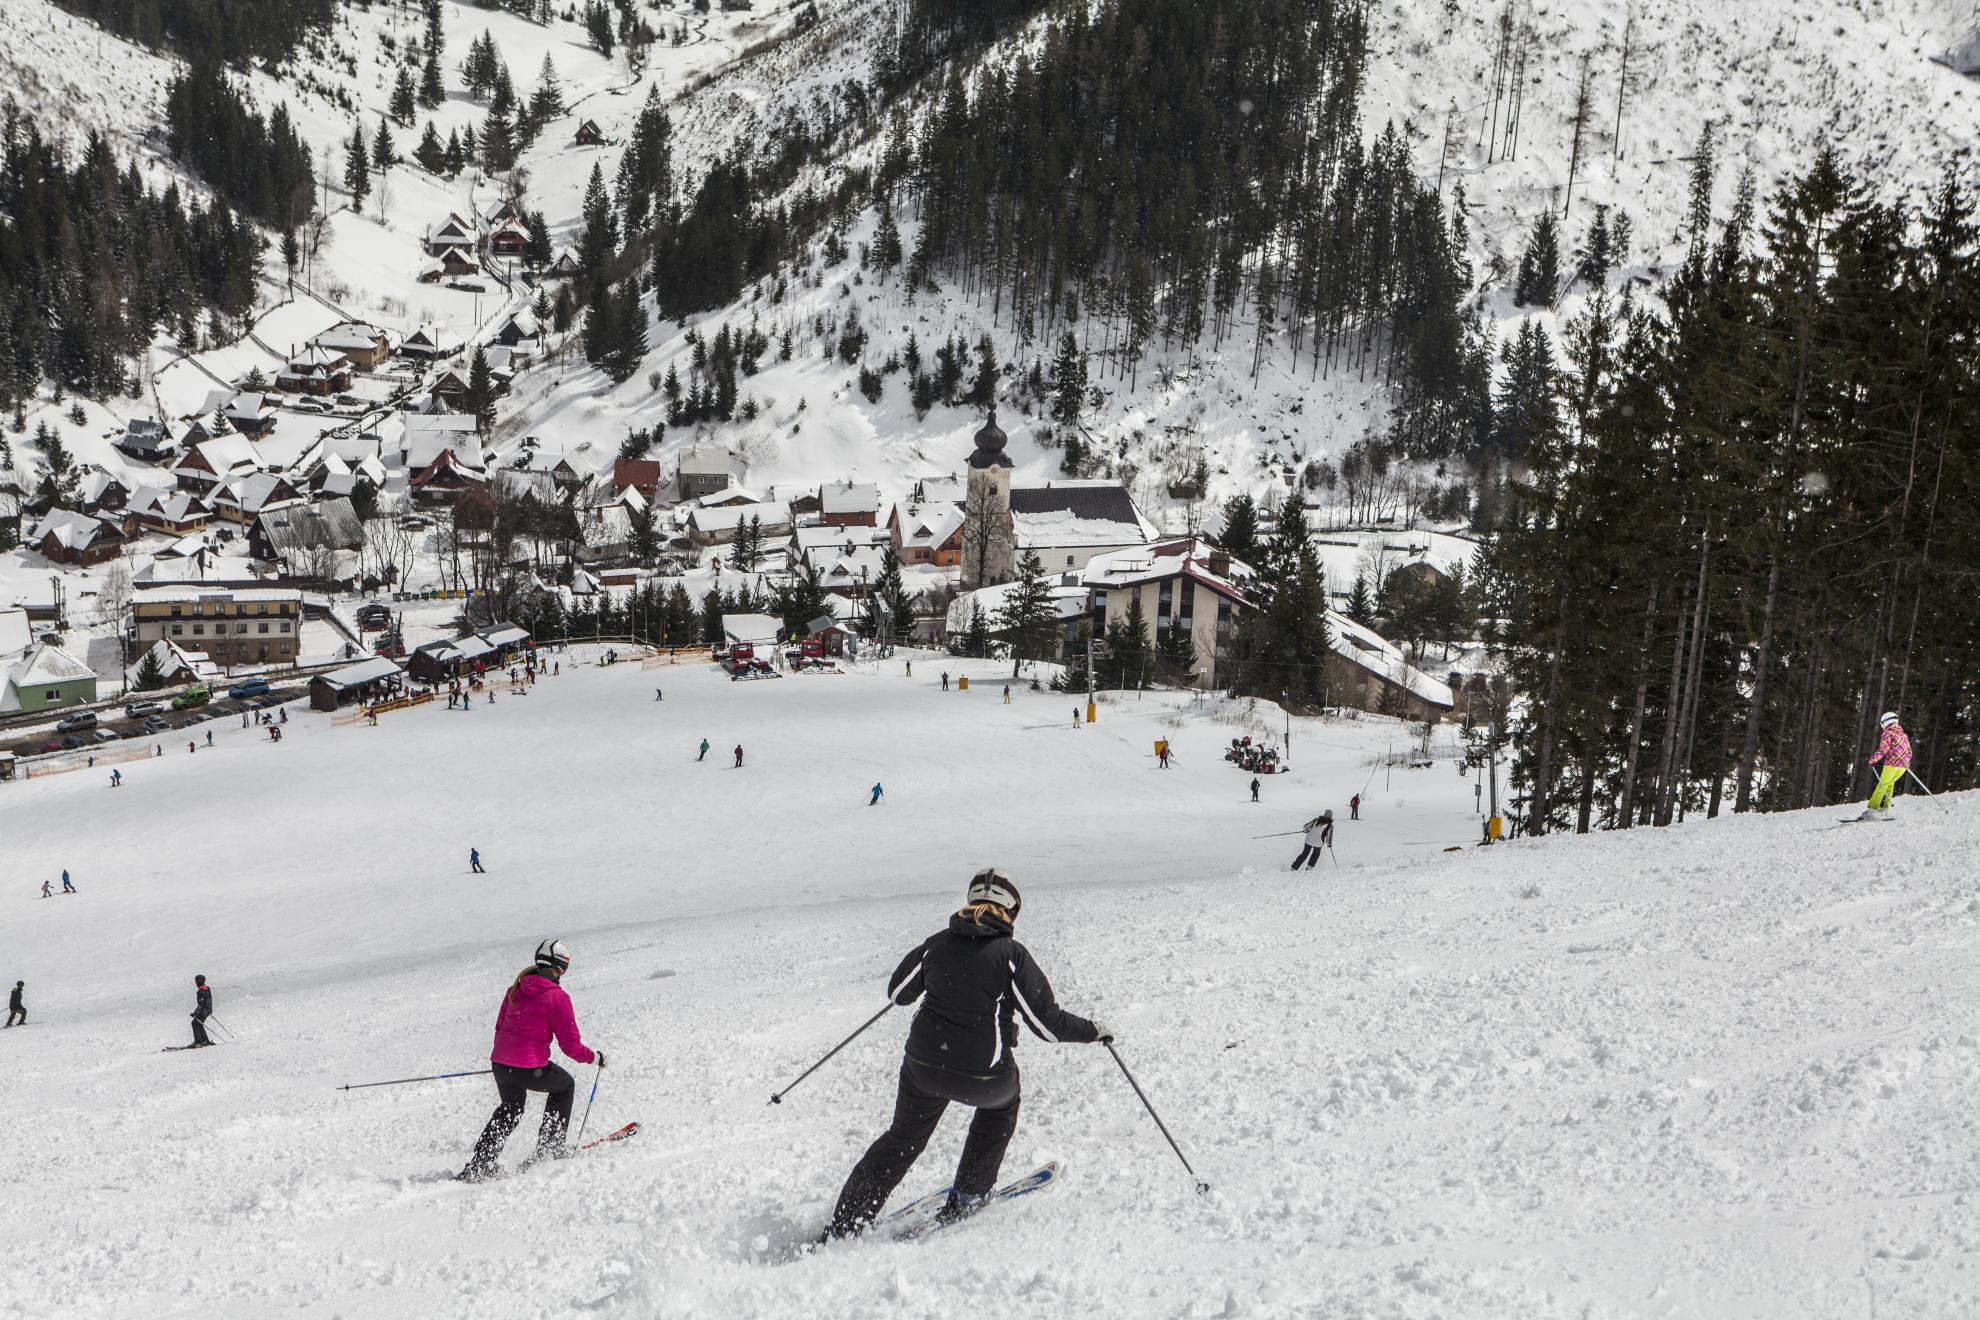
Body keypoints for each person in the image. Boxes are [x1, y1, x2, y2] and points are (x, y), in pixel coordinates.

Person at [823, 869, 1109, 1239]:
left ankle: (845, 1224)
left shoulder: (938, 944)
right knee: (1002, 1105)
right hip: (983, 1078)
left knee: (903, 1137)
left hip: (923, 1067)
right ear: (1012, 911)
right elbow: (1047, 1026)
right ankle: (970, 1194)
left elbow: (898, 994)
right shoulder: (1010, 955)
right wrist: (1094, 1031)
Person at [458, 939, 599, 1181]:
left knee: (511, 1108)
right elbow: (570, 1046)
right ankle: (550, 1150)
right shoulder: (557, 998)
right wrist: (595, 1058)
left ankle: (480, 1164)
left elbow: (500, 1027)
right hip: (528, 1066)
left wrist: (506, 1061)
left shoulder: (514, 988)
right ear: (561, 968)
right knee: (564, 1087)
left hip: (501, 1065)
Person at [1862, 711, 1912, 821]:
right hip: (1904, 766)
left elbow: (1883, 750)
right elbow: (1909, 751)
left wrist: (1872, 760)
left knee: (1882, 785)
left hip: (1892, 764)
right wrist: (1905, 762)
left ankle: (1872, 809)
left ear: (1885, 722)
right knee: (1889, 784)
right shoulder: (1903, 735)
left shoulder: (1887, 733)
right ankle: (1886, 808)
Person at [191, 975, 213, 1047]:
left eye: (196, 981)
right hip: (208, 1009)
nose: (196, 983)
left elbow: (201, 1004)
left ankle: (199, 1041)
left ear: (199, 981)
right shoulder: (207, 989)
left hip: (204, 1011)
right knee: (199, 1023)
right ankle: (205, 1040)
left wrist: (196, 1013)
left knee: (195, 1023)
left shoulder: (201, 991)